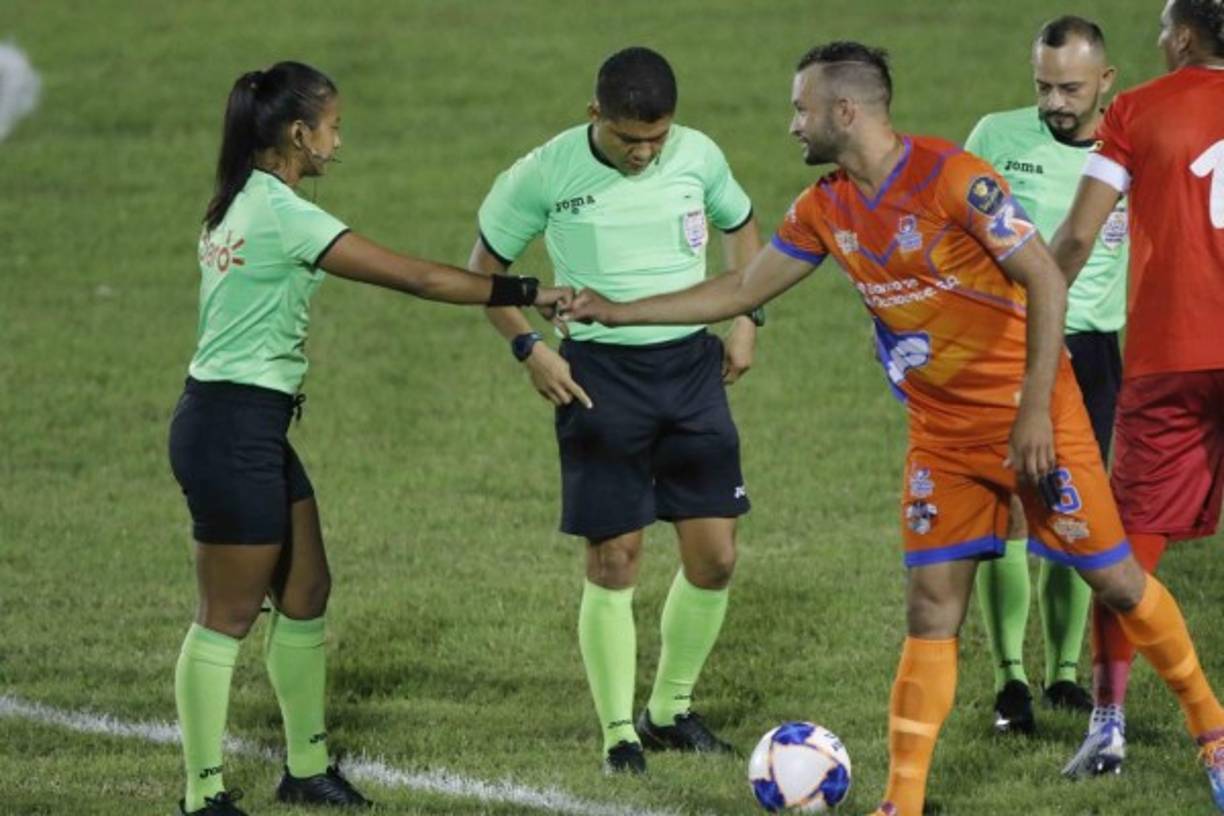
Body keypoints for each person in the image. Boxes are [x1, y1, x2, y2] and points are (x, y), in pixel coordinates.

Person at [562, 40, 1224, 815]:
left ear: (845, 111)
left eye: (800, 109)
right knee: (930, 608)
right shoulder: (826, 207)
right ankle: (902, 802)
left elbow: (1044, 274)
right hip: (941, 438)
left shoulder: (953, 179)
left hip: (1033, 424)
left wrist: (1035, 408)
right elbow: (741, 285)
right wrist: (615, 310)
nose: (791, 126)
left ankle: (1213, 731)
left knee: (1114, 581)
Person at [169, 61, 564, 816]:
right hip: (230, 430)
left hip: (244, 424)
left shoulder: (239, 200)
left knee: (307, 587)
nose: (338, 141)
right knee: (225, 614)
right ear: (297, 133)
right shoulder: (283, 213)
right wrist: (528, 290)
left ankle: (307, 769)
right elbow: (415, 278)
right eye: (332, 125)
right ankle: (202, 795)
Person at [468, 46, 762, 774]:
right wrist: (528, 349)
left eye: (656, 138)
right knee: (615, 557)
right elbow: (482, 273)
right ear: (594, 114)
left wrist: (750, 317)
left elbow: (744, 226)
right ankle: (617, 732)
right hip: (598, 374)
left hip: (693, 369)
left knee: (716, 556)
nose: (644, 153)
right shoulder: (542, 173)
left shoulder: (698, 155)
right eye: (630, 138)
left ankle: (669, 710)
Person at [1051, 0, 1224, 784]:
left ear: (1186, 36)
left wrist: (1028, 314)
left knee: (1128, 546)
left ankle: (1108, 724)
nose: (1158, 41)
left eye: (1162, 30)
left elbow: (1081, 235)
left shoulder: (1137, 110)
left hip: (1171, 356)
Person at [963, 15, 1126, 735]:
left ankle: (1065, 674)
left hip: (1092, 350)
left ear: (1105, 83)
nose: (1054, 102)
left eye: (1070, 88)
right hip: (1009, 346)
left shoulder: (1132, 143)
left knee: (1074, 510)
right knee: (1011, 507)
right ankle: (1011, 680)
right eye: (1043, 86)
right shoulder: (996, 137)